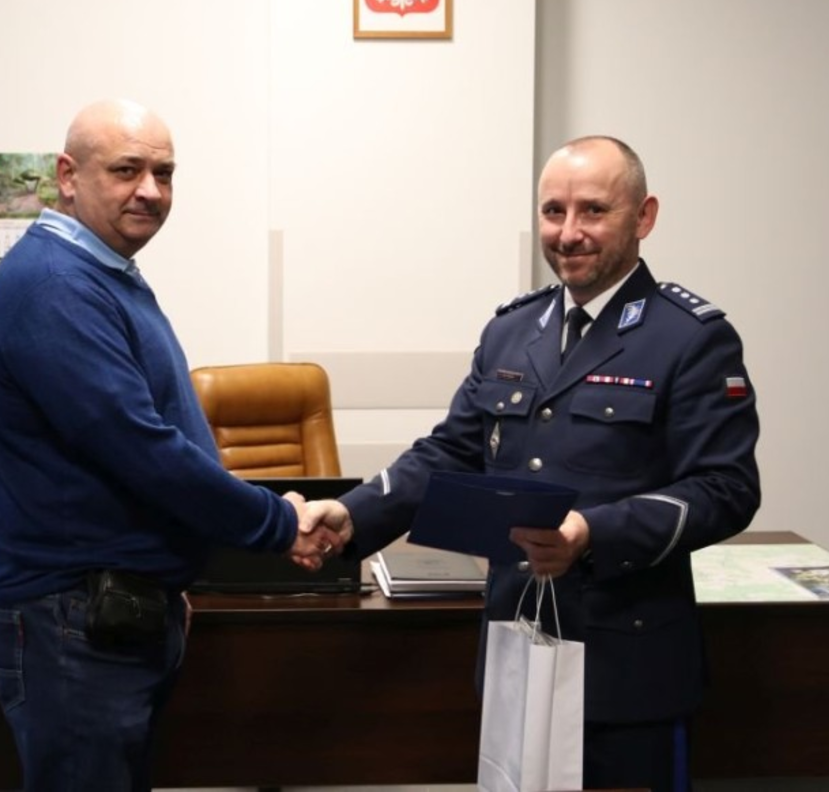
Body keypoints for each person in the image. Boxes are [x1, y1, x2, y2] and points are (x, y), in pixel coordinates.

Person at [307, 135, 760, 792]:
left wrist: (592, 532)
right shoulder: (513, 329)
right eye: (553, 211)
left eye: (593, 210)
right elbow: (452, 451)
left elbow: (726, 488)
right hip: (516, 642)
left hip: (625, 661)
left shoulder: (690, 338)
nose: (568, 233)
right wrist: (352, 514)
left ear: (644, 216)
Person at [0, 98, 347, 791]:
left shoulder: (100, 271)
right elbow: (143, 450)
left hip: (114, 610)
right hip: (73, 626)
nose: (150, 190)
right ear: (68, 175)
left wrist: (171, 572)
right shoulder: (54, 287)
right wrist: (278, 523)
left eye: (164, 173)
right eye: (126, 170)